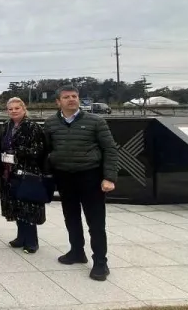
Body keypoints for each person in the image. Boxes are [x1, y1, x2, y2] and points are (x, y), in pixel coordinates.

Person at [44, 85, 118, 281]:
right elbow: (47, 151)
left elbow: (110, 150)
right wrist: (48, 175)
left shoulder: (96, 121)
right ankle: (77, 251)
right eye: (66, 97)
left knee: (96, 222)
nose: (71, 99)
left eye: (74, 96)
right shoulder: (51, 123)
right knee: (71, 218)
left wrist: (109, 177)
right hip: (64, 177)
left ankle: (101, 262)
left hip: (90, 177)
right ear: (58, 102)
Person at [0, 97, 49, 254]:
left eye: (16, 108)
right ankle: (20, 237)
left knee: (28, 207)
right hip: (9, 173)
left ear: (24, 109)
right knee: (15, 206)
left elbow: (39, 151)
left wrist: (17, 152)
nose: (13, 111)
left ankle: (32, 241)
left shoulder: (32, 127)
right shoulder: (6, 125)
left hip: (27, 173)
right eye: (10, 109)